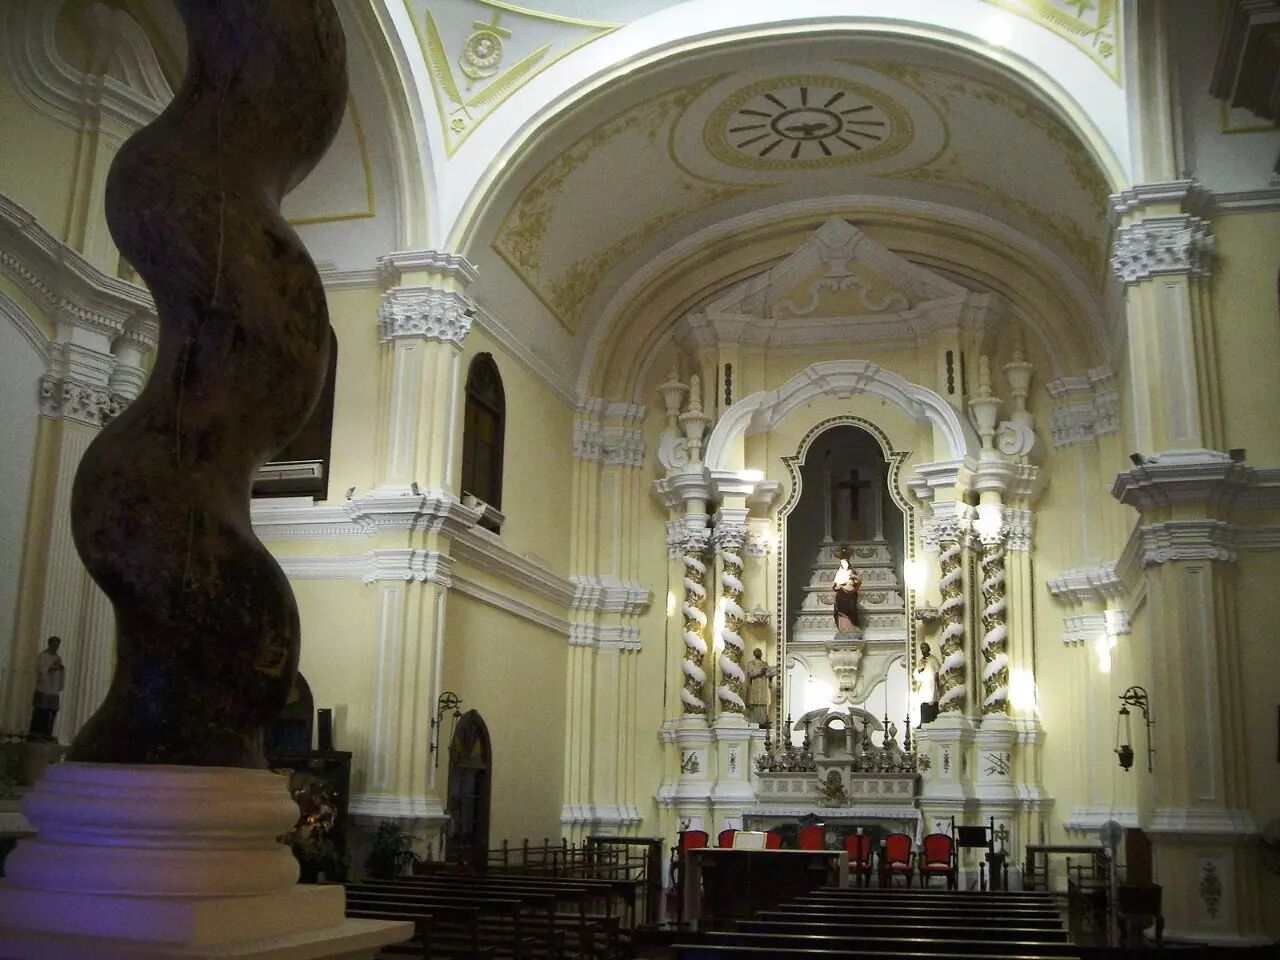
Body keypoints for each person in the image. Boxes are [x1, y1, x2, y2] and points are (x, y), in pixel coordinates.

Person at [28, 636, 65, 741]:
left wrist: (61, 670)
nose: (56, 647)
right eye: (54, 645)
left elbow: (60, 673)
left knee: (52, 712)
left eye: (58, 645)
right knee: (41, 712)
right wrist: (50, 669)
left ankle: (47, 733)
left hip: (53, 690)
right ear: (50, 644)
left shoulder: (58, 658)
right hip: (43, 689)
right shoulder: (42, 656)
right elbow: (40, 670)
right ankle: (36, 733)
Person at [744, 648, 776, 727]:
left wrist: (772, 674)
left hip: (763, 685)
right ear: (754, 654)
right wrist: (760, 671)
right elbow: (751, 674)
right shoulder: (751, 663)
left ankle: (763, 720)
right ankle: (755, 721)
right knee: (755, 702)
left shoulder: (765, 663)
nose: (759, 653)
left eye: (760, 651)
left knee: (763, 702)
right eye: (757, 652)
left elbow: (768, 673)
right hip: (755, 685)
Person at [913, 641, 940, 725]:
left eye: (924, 647)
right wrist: (919, 670)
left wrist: (937, 679)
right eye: (921, 648)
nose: (922, 649)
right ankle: (923, 721)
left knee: (931, 701)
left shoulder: (933, 659)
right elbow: (915, 675)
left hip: (931, 685)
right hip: (923, 686)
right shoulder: (920, 661)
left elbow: (938, 671)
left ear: (928, 648)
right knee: (923, 703)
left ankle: (931, 720)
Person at [831, 557, 861, 632]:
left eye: (844, 563)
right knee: (841, 612)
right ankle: (843, 629)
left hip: (850, 596)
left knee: (851, 612)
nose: (843, 565)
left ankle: (852, 627)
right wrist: (836, 586)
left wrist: (854, 577)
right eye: (841, 563)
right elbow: (835, 586)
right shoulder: (839, 573)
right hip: (840, 596)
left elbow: (858, 583)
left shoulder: (852, 572)